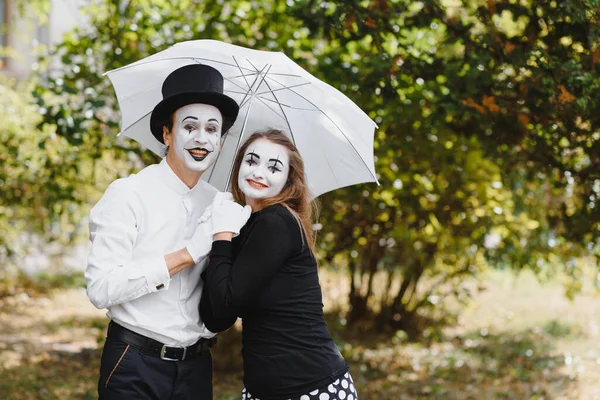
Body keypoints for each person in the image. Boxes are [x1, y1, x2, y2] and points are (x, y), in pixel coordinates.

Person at [85, 63, 251, 400]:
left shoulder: (221, 204)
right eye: (189, 126)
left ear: (220, 143)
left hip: (196, 368)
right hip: (134, 364)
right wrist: (187, 254)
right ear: (167, 134)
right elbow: (100, 289)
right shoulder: (128, 193)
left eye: (212, 129)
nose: (201, 138)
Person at [199, 129, 359, 400]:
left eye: (274, 167)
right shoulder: (247, 226)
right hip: (263, 390)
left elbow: (225, 303)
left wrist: (222, 235)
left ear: (288, 180)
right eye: (251, 161)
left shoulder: (277, 222)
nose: (259, 172)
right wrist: (220, 236)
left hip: (311, 388)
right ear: (238, 166)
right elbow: (217, 317)